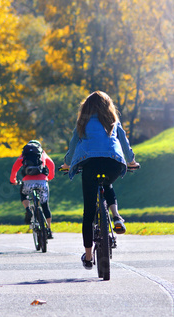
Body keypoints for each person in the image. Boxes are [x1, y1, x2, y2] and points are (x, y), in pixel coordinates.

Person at [61, 91, 139, 270]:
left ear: (86, 108)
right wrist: (132, 161)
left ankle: (88, 257)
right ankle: (116, 216)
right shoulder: (113, 121)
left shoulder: (82, 124)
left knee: (88, 214)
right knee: (107, 184)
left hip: (90, 165)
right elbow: (125, 144)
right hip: (113, 163)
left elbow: (73, 146)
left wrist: (66, 164)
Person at [10, 140, 55, 239]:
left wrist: (13, 180)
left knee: (24, 194)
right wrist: (50, 177)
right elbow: (51, 164)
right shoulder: (42, 153)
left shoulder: (24, 155)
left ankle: (27, 209)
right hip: (42, 182)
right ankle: (49, 229)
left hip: (27, 182)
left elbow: (15, 168)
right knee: (45, 205)